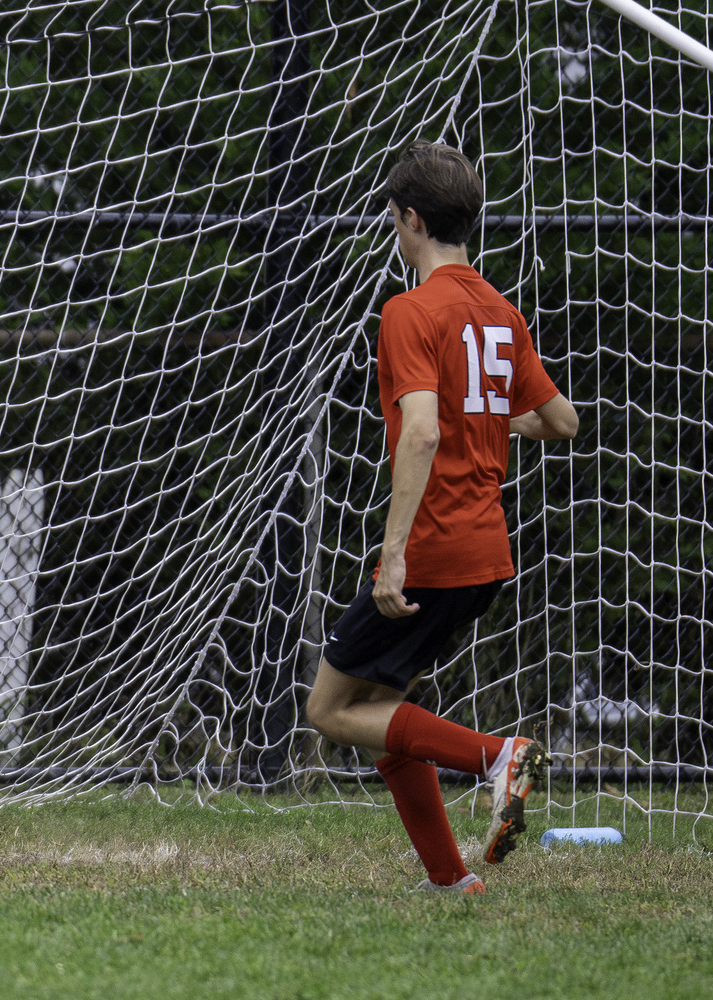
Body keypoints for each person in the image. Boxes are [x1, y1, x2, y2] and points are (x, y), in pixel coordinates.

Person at [305, 141, 579, 894]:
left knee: (329, 707)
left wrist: (393, 555)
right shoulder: (500, 312)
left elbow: (422, 430)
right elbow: (562, 421)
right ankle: (449, 880)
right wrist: (492, 418)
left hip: (432, 550)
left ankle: (498, 755)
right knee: (383, 708)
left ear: (413, 219)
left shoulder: (409, 310)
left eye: (394, 220)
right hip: (488, 554)